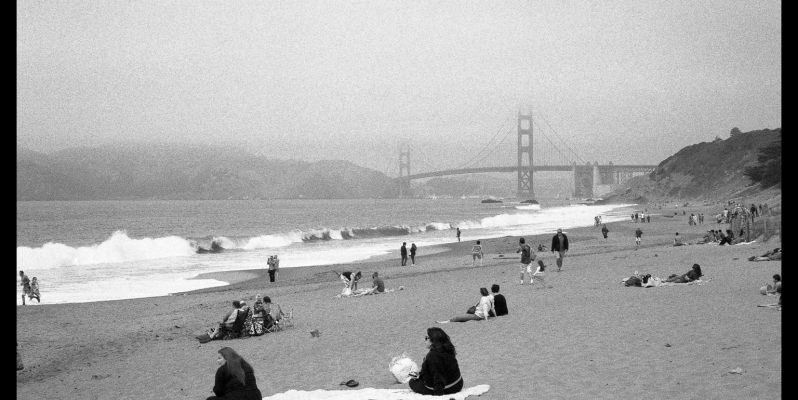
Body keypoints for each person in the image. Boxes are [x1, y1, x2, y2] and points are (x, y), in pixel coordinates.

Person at [407, 327, 464, 396]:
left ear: (432, 341)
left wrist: (438, 395)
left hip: (448, 388)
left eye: (426, 338)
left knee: (412, 382)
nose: (424, 340)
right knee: (419, 376)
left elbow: (438, 376)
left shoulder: (433, 356)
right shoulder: (447, 348)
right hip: (458, 383)